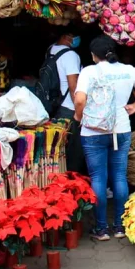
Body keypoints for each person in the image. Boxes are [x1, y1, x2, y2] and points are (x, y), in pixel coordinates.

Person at [74, 36, 135, 241]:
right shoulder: (127, 70)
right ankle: (120, 227)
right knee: (120, 177)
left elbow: (79, 99)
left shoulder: (89, 71)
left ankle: (101, 229)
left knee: (98, 178)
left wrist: (79, 116)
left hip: (93, 131)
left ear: (94, 56)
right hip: (121, 129)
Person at [48, 31, 85, 173]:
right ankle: (71, 179)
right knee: (73, 149)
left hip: (56, 106)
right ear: (64, 36)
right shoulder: (70, 55)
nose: (75, 39)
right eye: (72, 35)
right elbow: (73, 85)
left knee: (59, 147)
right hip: (69, 108)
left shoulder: (51, 50)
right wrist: (79, 110)